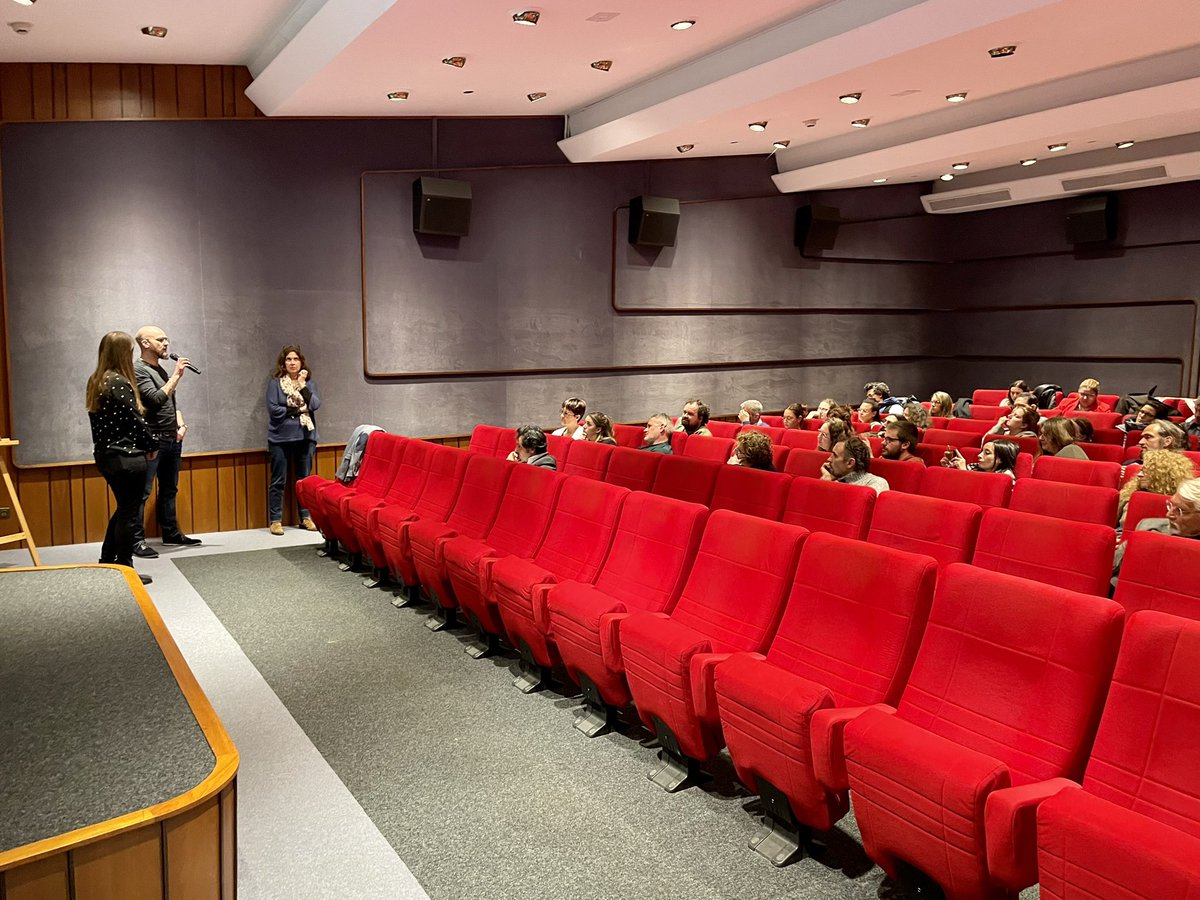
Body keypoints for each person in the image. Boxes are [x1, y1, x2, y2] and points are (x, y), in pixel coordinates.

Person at [86, 332, 157, 585]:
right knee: (129, 512)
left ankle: (107, 560)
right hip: (127, 457)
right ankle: (126, 566)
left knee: (124, 508)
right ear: (122, 353)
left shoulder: (96, 380)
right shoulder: (118, 382)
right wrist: (152, 444)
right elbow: (135, 421)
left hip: (106, 456)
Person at [132, 325, 199, 557]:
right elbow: (155, 399)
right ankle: (136, 541)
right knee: (142, 492)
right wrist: (177, 375)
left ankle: (170, 533)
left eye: (167, 339)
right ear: (145, 343)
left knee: (170, 489)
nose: (166, 344)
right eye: (160, 340)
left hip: (172, 437)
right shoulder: (138, 370)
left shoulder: (159, 369)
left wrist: (180, 422)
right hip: (152, 440)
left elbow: (170, 403)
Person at [267, 345, 320, 536]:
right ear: (283, 363)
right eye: (288, 359)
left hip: (305, 437)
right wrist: (299, 409)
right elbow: (274, 410)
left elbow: (314, 404)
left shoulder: (309, 383)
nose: (292, 362)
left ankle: (305, 517)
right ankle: (275, 520)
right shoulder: (275, 384)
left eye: (295, 359)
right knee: (278, 480)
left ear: (301, 362)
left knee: (303, 480)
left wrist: (302, 385)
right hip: (280, 438)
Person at [1113, 477, 1200, 576]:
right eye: (1170, 505)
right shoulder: (1149, 527)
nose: (1169, 514)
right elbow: (1110, 568)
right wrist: (1136, 546)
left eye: (1180, 510)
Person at [1115, 450, 1196, 534]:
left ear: (1161, 475)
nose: (1139, 474)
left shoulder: (1178, 503)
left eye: (1145, 471)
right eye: (1141, 470)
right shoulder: (1130, 494)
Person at [821, 436, 889, 494]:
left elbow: (852, 506)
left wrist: (828, 485)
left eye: (835, 455)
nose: (829, 459)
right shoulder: (834, 479)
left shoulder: (876, 483)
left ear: (850, 463)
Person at [942, 439, 1018, 480]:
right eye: (981, 451)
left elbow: (979, 492)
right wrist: (949, 470)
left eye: (987, 453)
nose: (979, 455)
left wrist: (964, 472)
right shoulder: (973, 467)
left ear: (1000, 459)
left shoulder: (1006, 477)